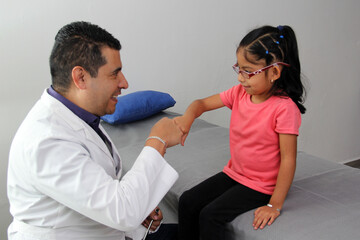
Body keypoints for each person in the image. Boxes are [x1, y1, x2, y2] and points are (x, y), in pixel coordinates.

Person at [7, 21, 183, 240]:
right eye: (114, 74)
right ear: (81, 77)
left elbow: (99, 190)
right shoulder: (46, 140)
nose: (125, 83)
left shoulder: (80, 117)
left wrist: (140, 211)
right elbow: (122, 211)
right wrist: (158, 141)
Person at [175, 25, 306, 239]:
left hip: (262, 185)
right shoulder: (239, 94)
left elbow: (288, 159)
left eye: (248, 71)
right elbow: (201, 104)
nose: (240, 78)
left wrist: (274, 204)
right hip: (235, 173)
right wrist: (187, 119)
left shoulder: (284, 108)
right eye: (239, 69)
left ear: (274, 72)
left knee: (210, 215)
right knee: (188, 200)